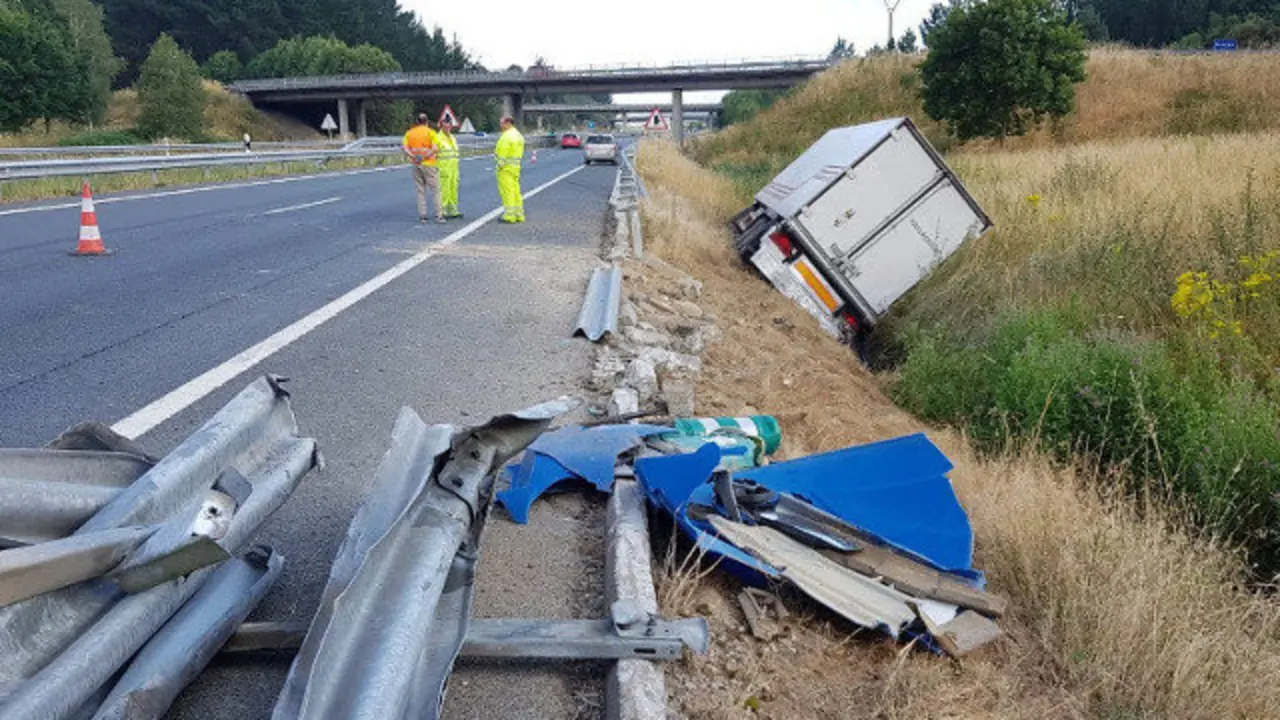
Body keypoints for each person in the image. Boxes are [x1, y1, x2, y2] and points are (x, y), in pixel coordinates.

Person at [402, 113, 444, 223]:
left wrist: (413, 156)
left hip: (416, 164)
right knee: (436, 190)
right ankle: (439, 215)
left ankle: (423, 216)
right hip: (429, 164)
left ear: (417, 121)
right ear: (427, 121)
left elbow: (405, 148)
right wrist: (424, 157)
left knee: (420, 190)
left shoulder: (410, 133)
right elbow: (435, 148)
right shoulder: (431, 133)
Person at [495, 116, 525, 224]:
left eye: (502, 123)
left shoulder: (506, 136)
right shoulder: (518, 135)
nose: (501, 125)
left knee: (507, 192)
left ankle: (509, 215)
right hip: (515, 168)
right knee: (516, 191)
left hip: (506, 169)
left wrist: (499, 167)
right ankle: (519, 214)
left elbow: (502, 154)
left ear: (508, 123)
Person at [436, 119, 462, 219]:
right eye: (445, 127)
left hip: (454, 169)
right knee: (444, 191)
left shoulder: (452, 138)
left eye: (449, 126)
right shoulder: (438, 138)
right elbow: (434, 153)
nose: (447, 128)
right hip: (443, 169)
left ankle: (453, 210)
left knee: (453, 190)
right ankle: (443, 211)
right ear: (441, 127)